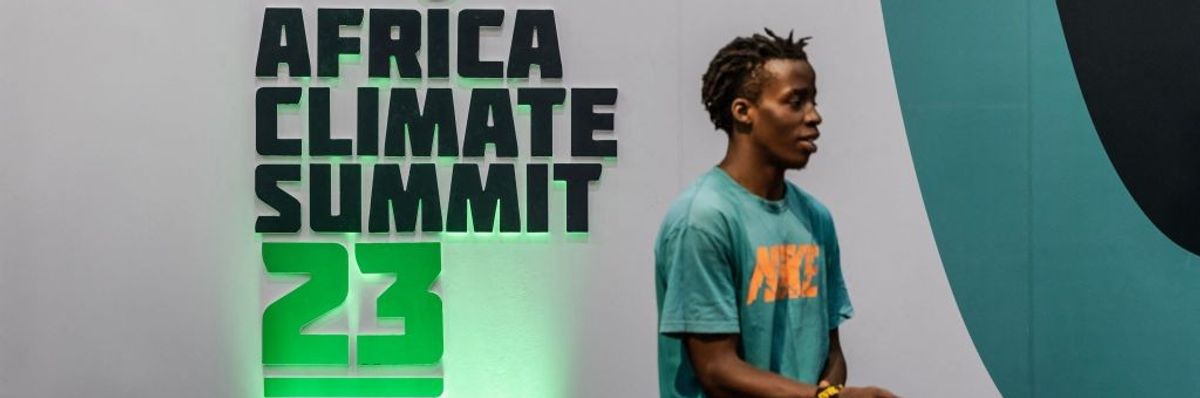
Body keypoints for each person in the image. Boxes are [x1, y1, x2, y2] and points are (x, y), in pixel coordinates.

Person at [654, 29, 897, 398]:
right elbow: (717, 370)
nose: (814, 116)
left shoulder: (814, 217)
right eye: (795, 102)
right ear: (743, 112)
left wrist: (830, 395)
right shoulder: (702, 219)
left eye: (813, 101)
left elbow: (830, 350)